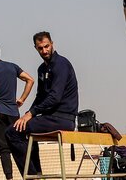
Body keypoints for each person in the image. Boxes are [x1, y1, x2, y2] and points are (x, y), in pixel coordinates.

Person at [6, 32, 78, 177]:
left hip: (63, 119)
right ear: (35, 48)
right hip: (49, 118)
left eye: (46, 46)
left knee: (12, 132)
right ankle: (37, 174)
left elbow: (54, 98)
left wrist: (31, 114)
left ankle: (32, 176)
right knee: (22, 129)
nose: (44, 51)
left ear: (52, 44)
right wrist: (28, 113)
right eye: (40, 48)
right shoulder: (42, 69)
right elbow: (40, 97)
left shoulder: (61, 64)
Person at [0, 42, 35, 180]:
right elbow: (30, 80)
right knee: (19, 145)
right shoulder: (13, 67)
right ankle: (29, 175)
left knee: (4, 149)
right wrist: (22, 99)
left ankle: (9, 178)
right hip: (13, 113)